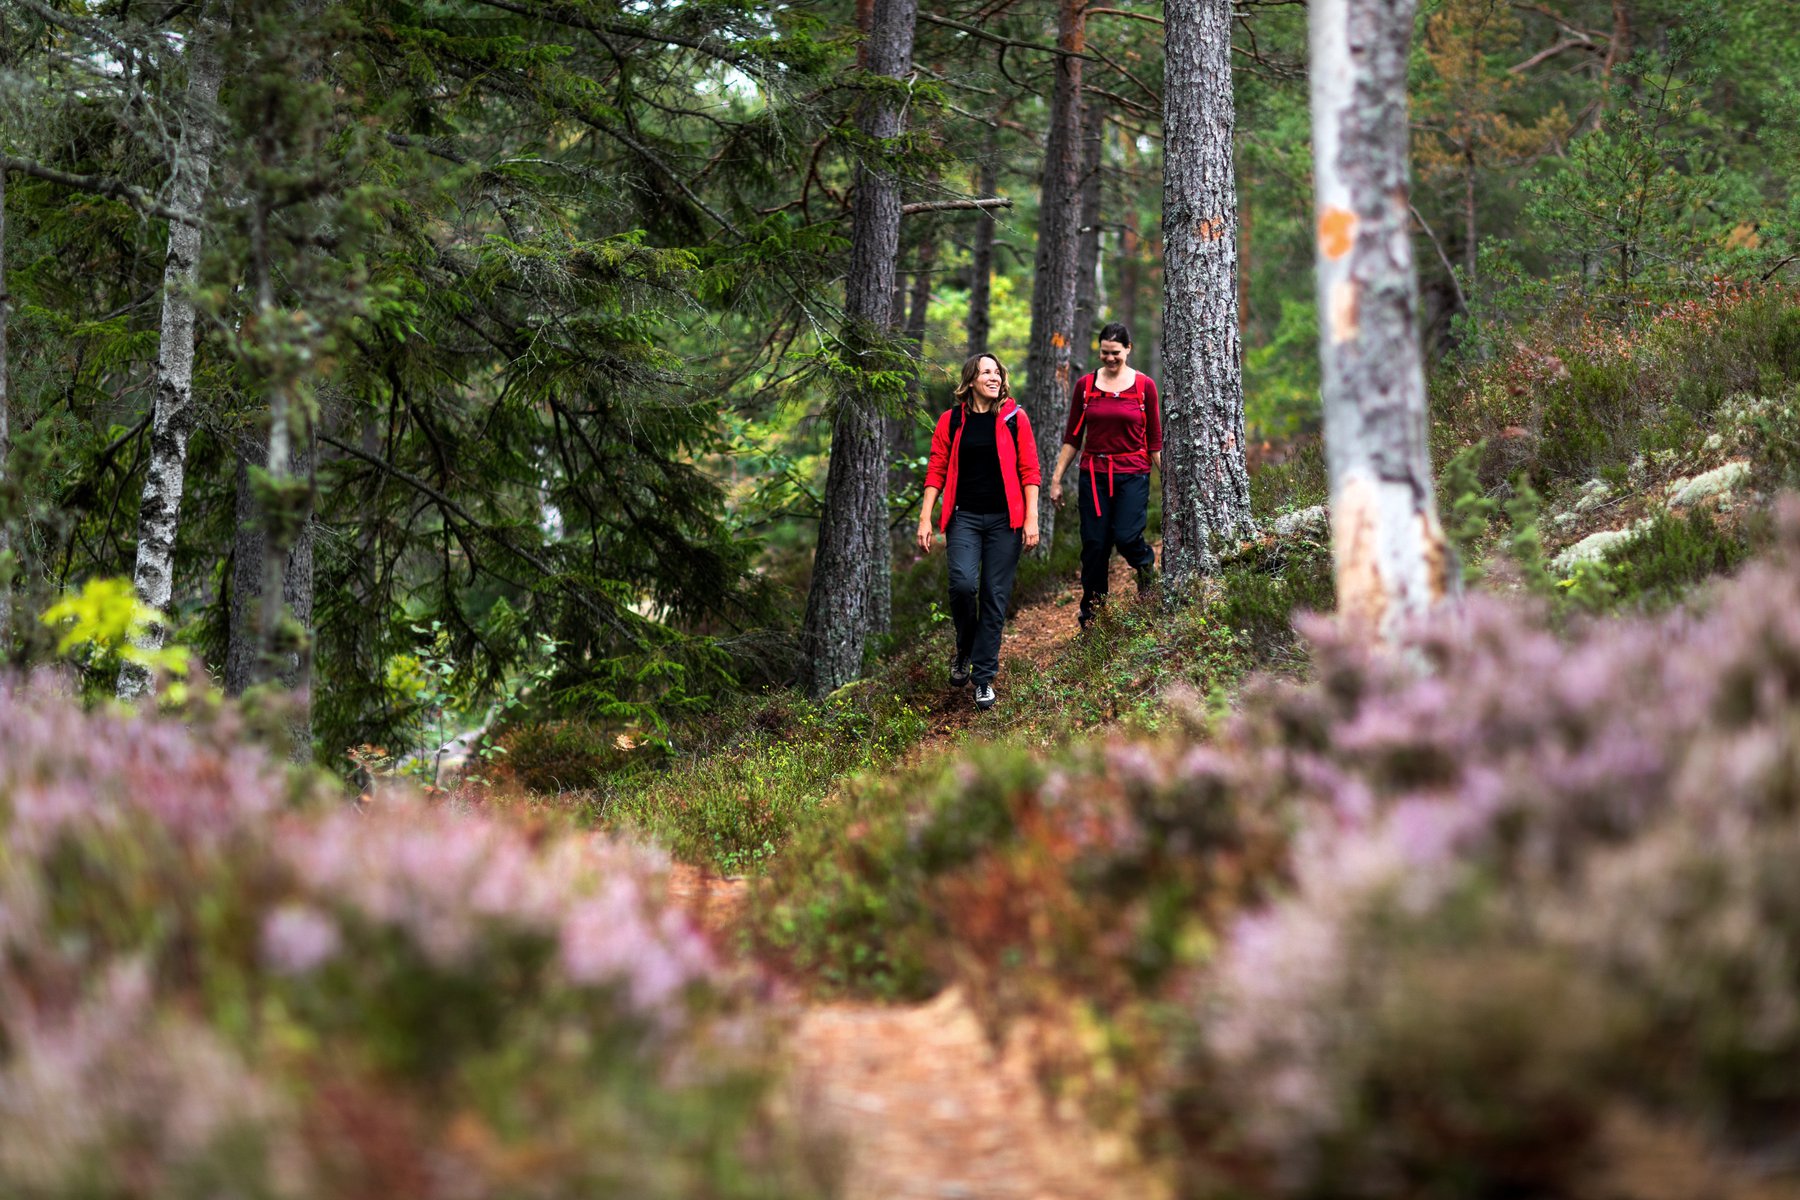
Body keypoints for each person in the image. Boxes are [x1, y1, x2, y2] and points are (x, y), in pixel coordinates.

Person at [916, 352, 1042, 711]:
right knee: (962, 585)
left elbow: (1030, 471)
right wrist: (926, 518)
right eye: (986, 372)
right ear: (970, 380)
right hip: (965, 519)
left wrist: (1031, 518)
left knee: (993, 597)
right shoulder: (951, 421)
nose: (994, 377)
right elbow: (937, 468)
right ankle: (964, 650)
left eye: (997, 372)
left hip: (1006, 521)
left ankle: (983, 677)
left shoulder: (1015, 419)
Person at [1047, 321, 1162, 629]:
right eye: (1104, 353)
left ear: (1128, 349)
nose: (1110, 359)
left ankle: (1145, 566)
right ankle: (1093, 615)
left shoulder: (1144, 387)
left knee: (1126, 536)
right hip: (1094, 475)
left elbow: (1154, 439)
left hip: (1133, 473)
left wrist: (1167, 479)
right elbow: (1072, 437)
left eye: (1116, 353)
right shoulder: (1085, 387)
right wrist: (1056, 479)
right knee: (1095, 546)